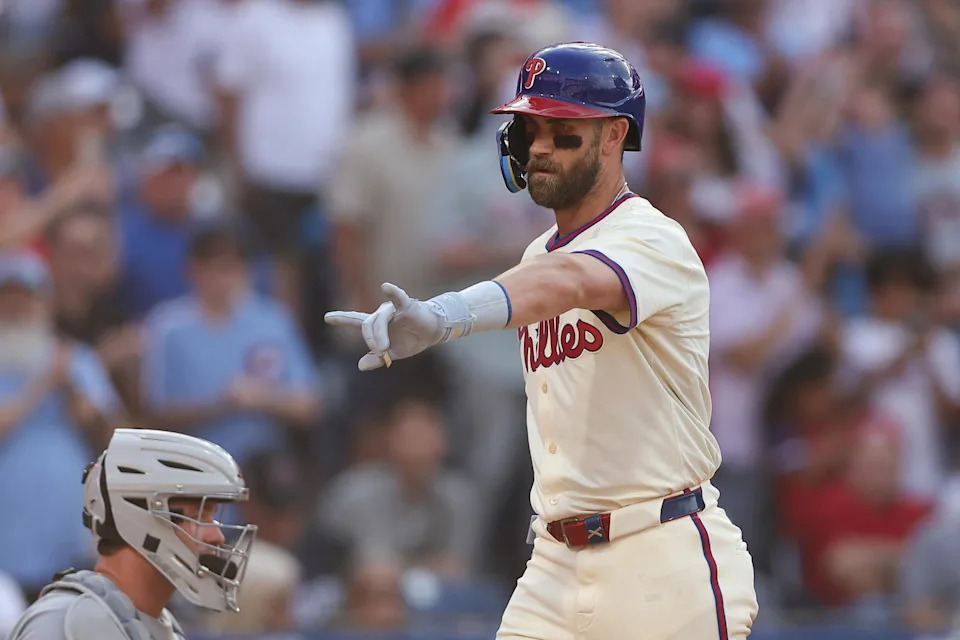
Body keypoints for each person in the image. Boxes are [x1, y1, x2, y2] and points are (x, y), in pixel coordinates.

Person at [326, 42, 759, 639]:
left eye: (562, 130)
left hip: (659, 554)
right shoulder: (535, 255)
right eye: (530, 129)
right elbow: (548, 273)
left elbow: (573, 278)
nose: (539, 148)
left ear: (614, 135)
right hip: (555, 560)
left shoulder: (653, 237)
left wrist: (448, 312)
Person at [7, 428, 258, 640]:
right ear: (141, 517)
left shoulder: (161, 627)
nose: (218, 536)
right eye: (198, 516)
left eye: (213, 517)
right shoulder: (67, 623)